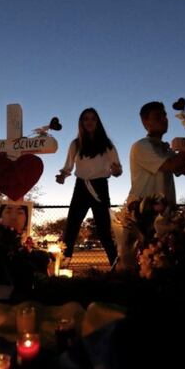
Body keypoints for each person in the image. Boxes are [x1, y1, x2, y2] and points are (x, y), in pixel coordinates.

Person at [56, 108, 122, 267]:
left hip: (100, 187)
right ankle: (63, 267)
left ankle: (117, 266)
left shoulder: (107, 144)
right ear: (81, 122)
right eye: (86, 119)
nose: (89, 121)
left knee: (104, 230)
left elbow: (118, 170)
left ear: (97, 122)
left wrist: (116, 170)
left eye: (93, 118)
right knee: (71, 228)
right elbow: (68, 166)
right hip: (81, 187)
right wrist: (63, 176)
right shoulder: (76, 144)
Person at [127, 101, 185, 204]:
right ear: (145, 122)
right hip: (143, 213)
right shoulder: (141, 146)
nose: (164, 119)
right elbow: (174, 165)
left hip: (165, 212)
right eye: (158, 116)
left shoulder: (165, 149)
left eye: (165, 115)